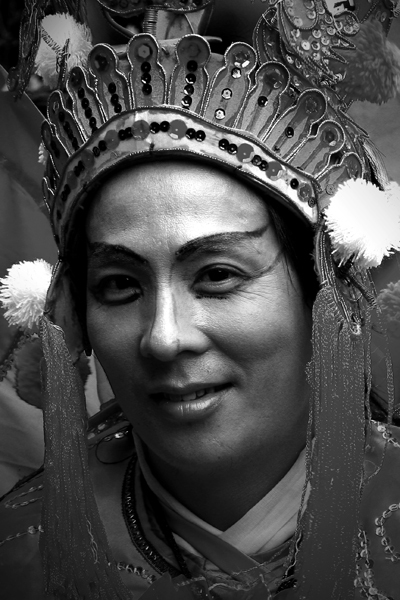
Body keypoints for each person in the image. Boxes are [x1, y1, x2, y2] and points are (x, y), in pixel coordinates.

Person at [0, 0, 400, 599]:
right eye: (119, 285)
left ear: (326, 292)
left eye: (217, 274)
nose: (164, 337)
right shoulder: (20, 552)